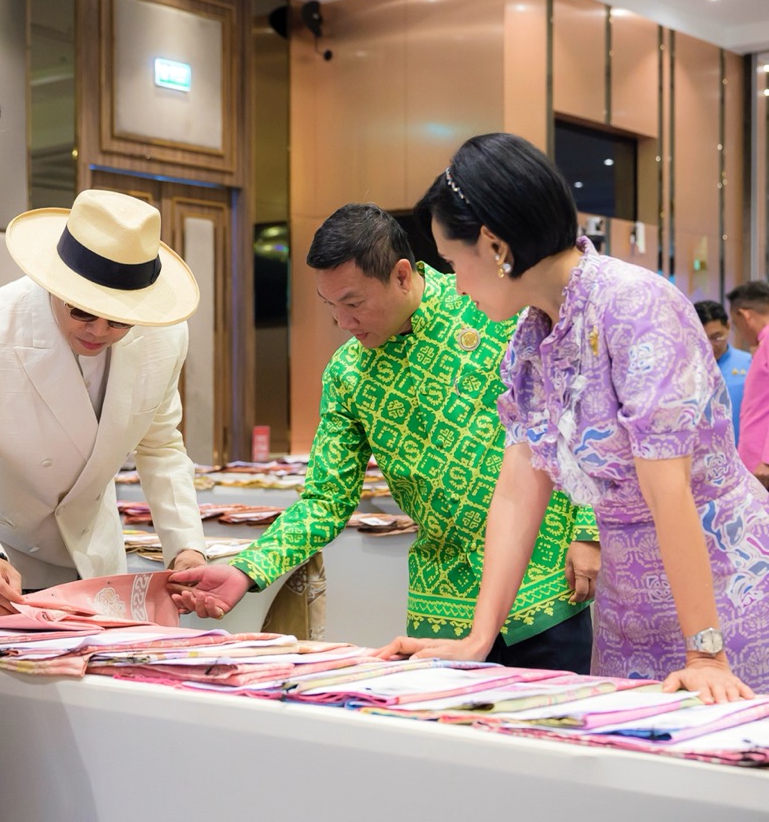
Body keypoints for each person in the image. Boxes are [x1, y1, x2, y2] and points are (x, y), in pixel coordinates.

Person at [401, 131, 769, 702]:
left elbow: (669, 491)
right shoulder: (531, 336)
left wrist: (704, 651)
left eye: (452, 261)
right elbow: (518, 489)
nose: (454, 282)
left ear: (495, 246)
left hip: (723, 589)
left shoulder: (634, 306)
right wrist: (479, 637)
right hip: (626, 605)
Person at [171, 203, 599, 674]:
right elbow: (325, 500)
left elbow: (574, 415)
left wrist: (589, 530)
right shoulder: (347, 374)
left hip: (545, 585)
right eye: (330, 306)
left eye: (353, 303)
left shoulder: (487, 308)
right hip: (444, 602)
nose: (343, 322)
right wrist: (247, 569)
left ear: (401, 275)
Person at [0, 189, 207, 625]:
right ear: (55, 284)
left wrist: (186, 547)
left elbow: (161, 447)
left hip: (93, 557)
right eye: (82, 313)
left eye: (119, 320)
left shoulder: (164, 336)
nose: (99, 331)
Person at [726, 282, 769, 488]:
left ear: (746, 316)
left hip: (763, 466)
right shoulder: (763, 344)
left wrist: (767, 459)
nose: (739, 333)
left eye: (736, 325)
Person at [694, 300, 750, 445]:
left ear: (728, 327)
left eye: (716, 337)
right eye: (702, 339)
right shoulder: (685, 370)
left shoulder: (750, 364)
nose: (710, 347)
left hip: (742, 452)